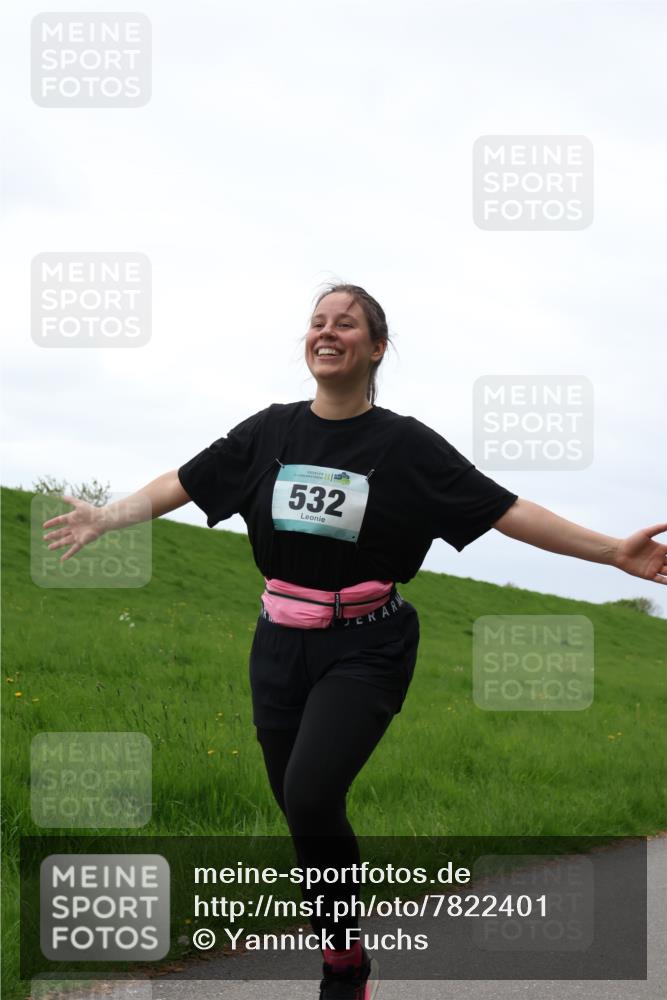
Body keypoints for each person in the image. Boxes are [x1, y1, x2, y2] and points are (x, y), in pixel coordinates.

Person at [42, 283, 667, 1000]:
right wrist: (107, 517)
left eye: (345, 323)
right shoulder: (270, 431)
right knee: (299, 809)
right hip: (278, 644)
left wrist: (610, 553)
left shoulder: (404, 445)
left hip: (367, 644)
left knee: (311, 795)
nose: (327, 332)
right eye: (317, 322)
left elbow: (503, 509)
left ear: (376, 348)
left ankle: (342, 968)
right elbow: (185, 481)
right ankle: (343, 941)